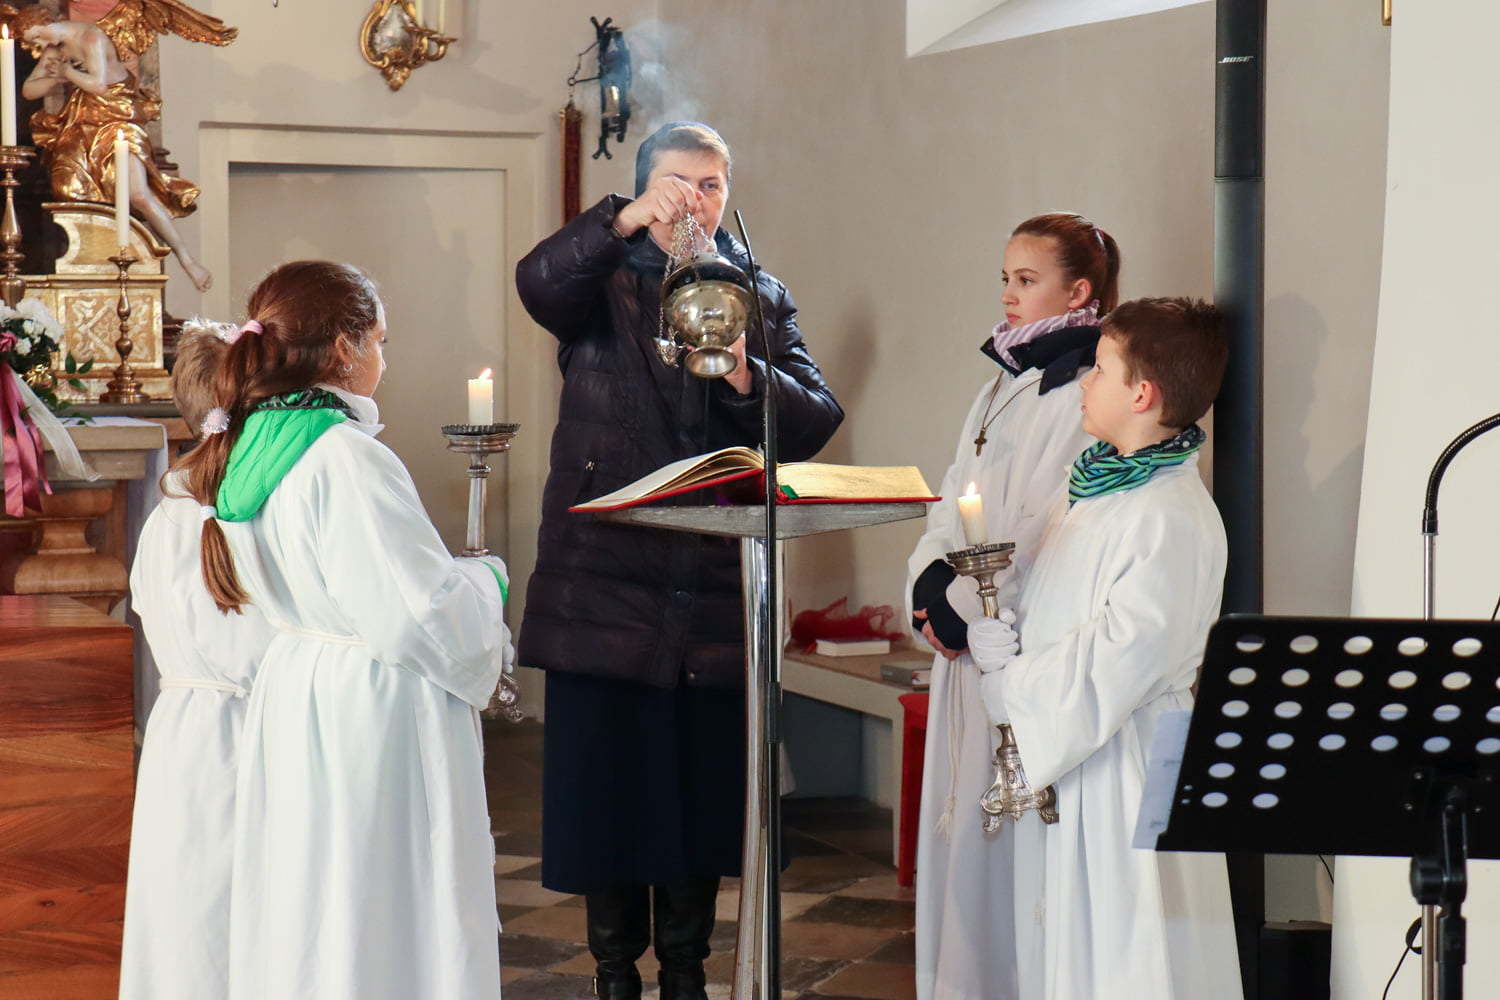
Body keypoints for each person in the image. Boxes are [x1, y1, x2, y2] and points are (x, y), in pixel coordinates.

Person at [515, 122, 844, 1000]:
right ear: (642, 191)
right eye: (676, 183)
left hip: (708, 589)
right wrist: (618, 222)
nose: (694, 201)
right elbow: (537, 282)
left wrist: (743, 375)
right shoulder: (598, 281)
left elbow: (816, 417)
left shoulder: (758, 294)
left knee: (696, 800)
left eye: (711, 185)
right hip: (603, 582)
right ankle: (614, 974)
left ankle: (689, 976)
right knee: (610, 799)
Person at [172, 261, 514, 1000]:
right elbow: (415, 614)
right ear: (344, 348)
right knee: (375, 902)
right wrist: (485, 583)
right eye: (380, 341)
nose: (385, 358)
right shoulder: (345, 456)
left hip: (300, 691)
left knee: (313, 899)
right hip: (371, 708)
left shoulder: (250, 443)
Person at [968, 297, 1241, 999]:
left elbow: (1125, 654)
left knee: (1129, 956)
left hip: (1127, 762)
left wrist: (1014, 687)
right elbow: (1061, 605)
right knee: (1068, 952)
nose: (1085, 381)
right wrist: (1003, 631)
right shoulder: (1094, 487)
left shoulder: (1171, 513)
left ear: (1142, 394)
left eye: (1099, 368)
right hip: (1077, 750)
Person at [906, 213, 1120, 1000]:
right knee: (963, 838)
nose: (1008, 294)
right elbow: (950, 499)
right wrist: (927, 591)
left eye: (1027, 280)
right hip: (967, 637)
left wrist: (962, 611)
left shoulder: (1083, 390)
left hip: (1015, 643)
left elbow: (1042, 527)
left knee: (1009, 850)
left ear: (1080, 291)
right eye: (1006, 278)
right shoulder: (999, 382)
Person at [118, 319, 273, 1000]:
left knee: (185, 920)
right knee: (252, 918)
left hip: (179, 736)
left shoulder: (164, 517)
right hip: (256, 731)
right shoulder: (260, 508)